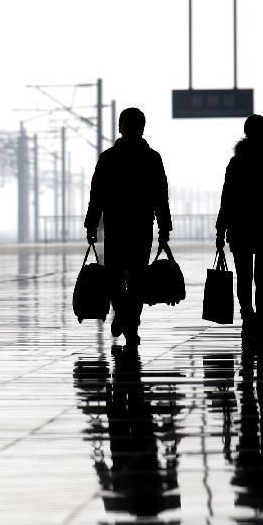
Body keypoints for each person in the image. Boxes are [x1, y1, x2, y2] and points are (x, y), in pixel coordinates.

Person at [84, 107, 172, 347]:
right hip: (140, 227)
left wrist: (91, 224)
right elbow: (160, 197)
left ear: (120, 127)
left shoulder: (109, 157)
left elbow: (97, 195)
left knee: (116, 278)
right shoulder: (152, 158)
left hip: (116, 227)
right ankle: (128, 321)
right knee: (136, 279)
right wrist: (164, 228)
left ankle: (125, 319)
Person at [216, 114, 263, 347]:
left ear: (246, 133)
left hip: (240, 227)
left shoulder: (237, 162)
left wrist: (221, 230)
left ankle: (247, 316)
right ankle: (262, 317)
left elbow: (226, 199)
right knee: (262, 277)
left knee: (244, 277)